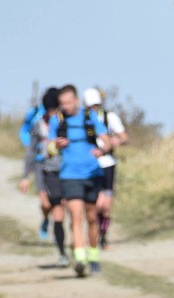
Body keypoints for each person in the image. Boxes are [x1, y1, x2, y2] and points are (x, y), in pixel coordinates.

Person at [48, 85, 111, 277]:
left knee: (92, 218)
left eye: (68, 103)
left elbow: (106, 140)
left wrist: (102, 150)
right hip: (69, 174)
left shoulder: (90, 118)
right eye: (62, 104)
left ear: (76, 101)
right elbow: (50, 148)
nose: (65, 107)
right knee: (75, 216)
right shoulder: (56, 121)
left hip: (92, 174)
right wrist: (56, 145)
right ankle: (80, 257)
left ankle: (93, 255)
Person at [19, 87, 68, 266]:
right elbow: (31, 151)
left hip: (61, 170)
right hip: (42, 169)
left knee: (59, 208)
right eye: (49, 110)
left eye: (55, 109)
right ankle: (44, 219)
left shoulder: (64, 122)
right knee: (46, 203)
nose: (52, 113)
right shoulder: (37, 124)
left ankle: (62, 253)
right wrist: (25, 176)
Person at [82, 87, 129, 250]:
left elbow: (124, 137)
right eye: (90, 107)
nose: (93, 109)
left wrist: (116, 141)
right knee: (94, 205)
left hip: (108, 164)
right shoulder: (81, 119)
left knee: (105, 206)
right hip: (90, 166)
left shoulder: (110, 117)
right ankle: (93, 236)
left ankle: (103, 238)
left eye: (95, 106)